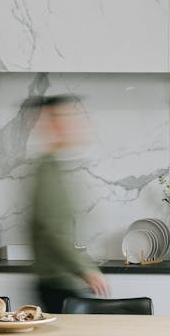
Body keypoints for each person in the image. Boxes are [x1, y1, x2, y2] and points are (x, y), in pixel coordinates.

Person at [28, 94, 109, 313]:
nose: (75, 125)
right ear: (52, 124)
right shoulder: (47, 170)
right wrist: (86, 270)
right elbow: (52, 230)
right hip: (56, 282)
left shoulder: (55, 167)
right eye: (65, 118)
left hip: (61, 280)